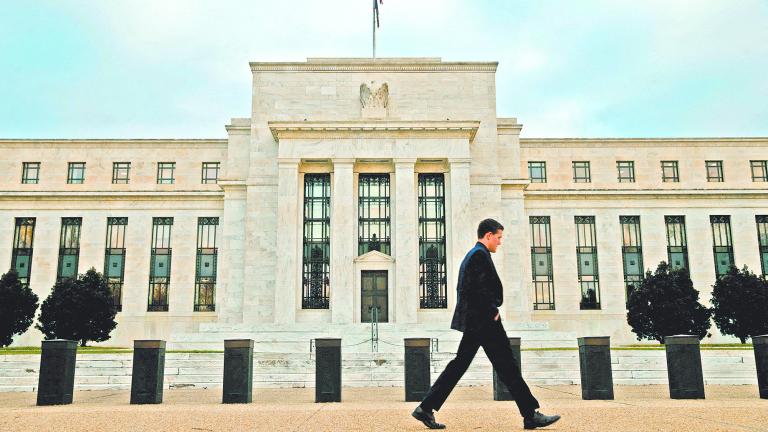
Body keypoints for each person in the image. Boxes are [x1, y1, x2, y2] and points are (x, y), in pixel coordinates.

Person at [411, 218, 561, 430]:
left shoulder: (473, 255)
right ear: (488, 235)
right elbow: (476, 289)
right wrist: (492, 311)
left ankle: (426, 408)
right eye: (498, 237)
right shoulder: (479, 255)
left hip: (476, 321)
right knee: (507, 365)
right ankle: (530, 414)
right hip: (485, 321)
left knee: (462, 365)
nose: (500, 242)